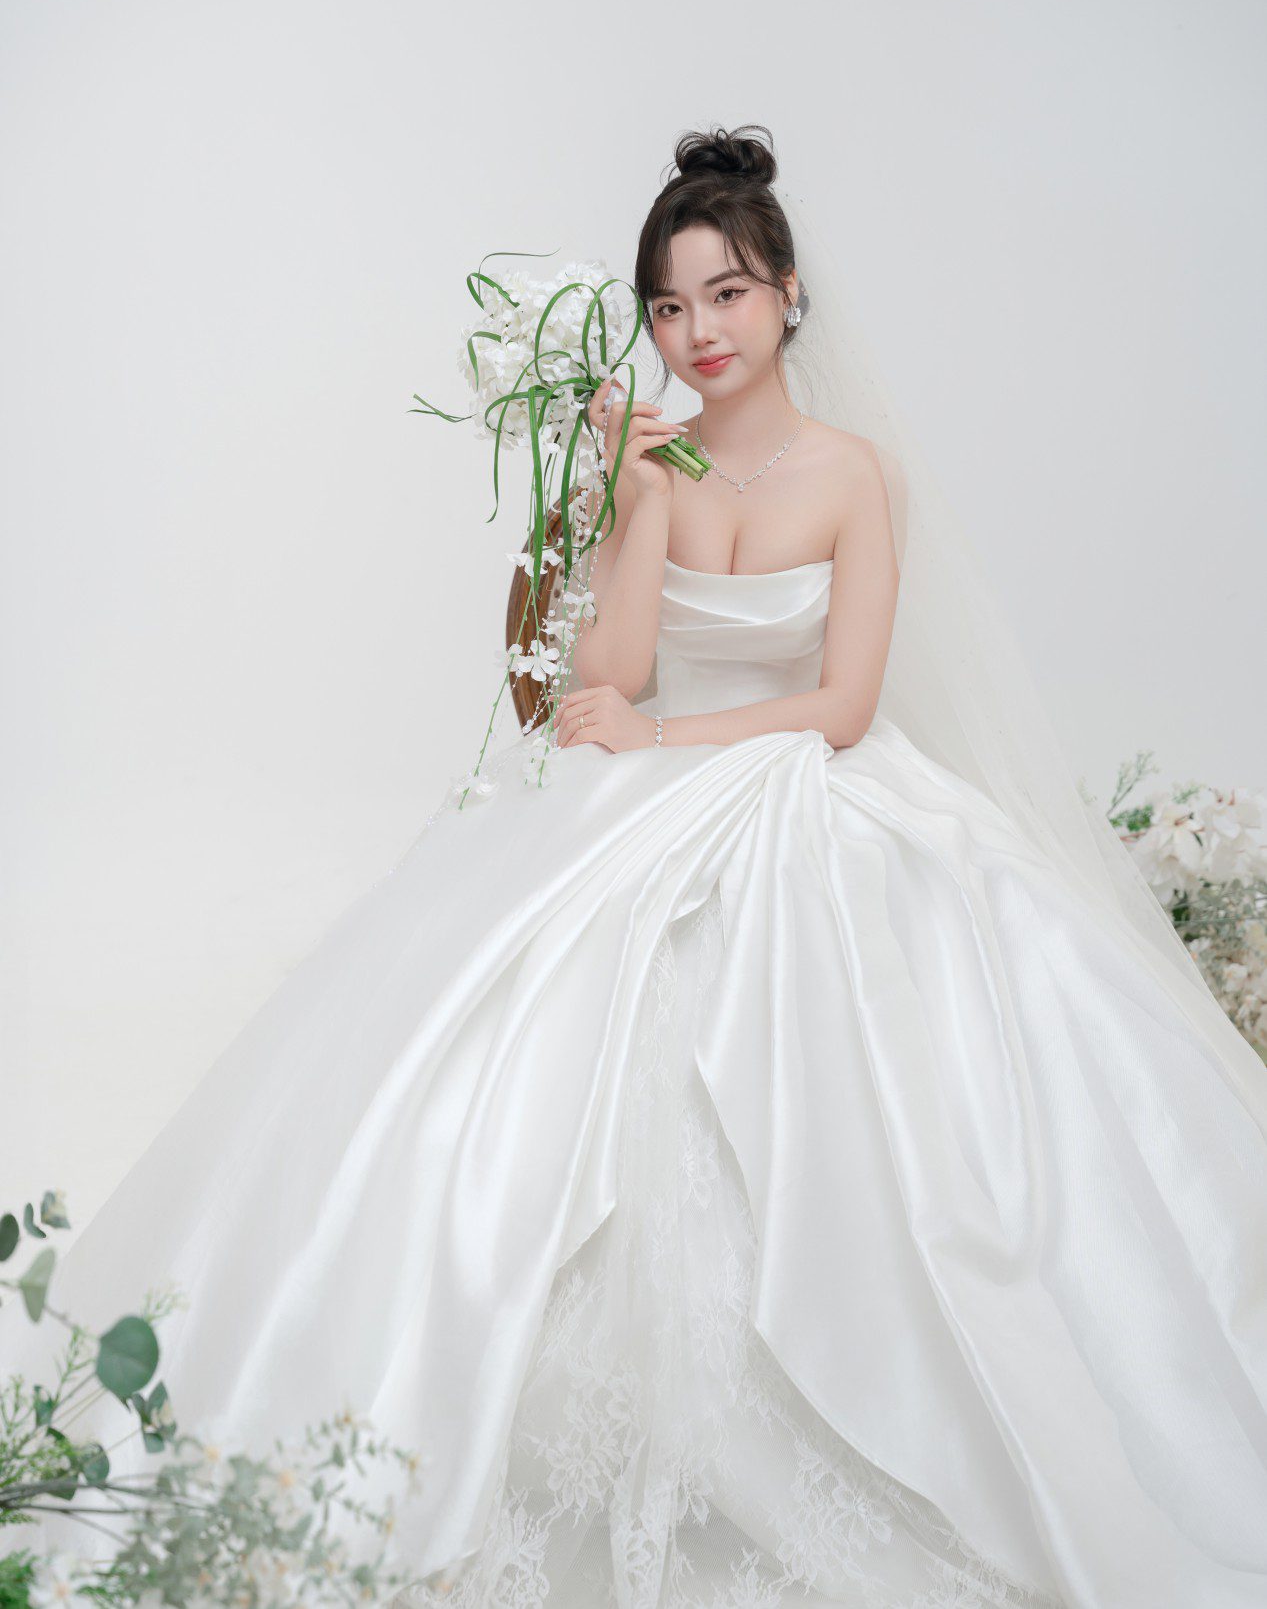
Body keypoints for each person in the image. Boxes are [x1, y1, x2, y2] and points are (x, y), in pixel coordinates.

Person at [3, 125, 1266, 1609]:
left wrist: (669, 744)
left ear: (787, 294)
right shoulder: (654, 462)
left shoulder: (854, 476)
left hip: (801, 783)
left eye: (726, 294)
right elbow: (607, 674)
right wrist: (618, 492)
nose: (698, 332)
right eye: (670, 306)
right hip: (647, 775)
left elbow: (843, 706)